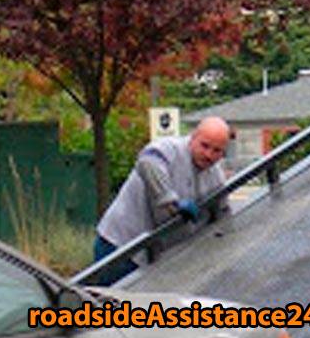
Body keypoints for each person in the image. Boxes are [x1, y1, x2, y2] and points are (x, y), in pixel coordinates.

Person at [90, 116, 232, 285]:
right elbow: (148, 162)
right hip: (121, 244)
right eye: (204, 145)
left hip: (157, 255)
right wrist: (171, 203)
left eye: (217, 151)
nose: (209, 155)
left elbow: (224, 215)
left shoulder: (215, 177)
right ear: (193, 137)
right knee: (111, 304)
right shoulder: (169, 149)